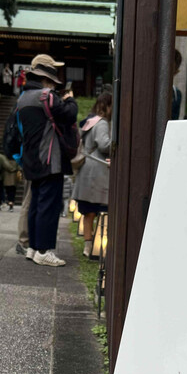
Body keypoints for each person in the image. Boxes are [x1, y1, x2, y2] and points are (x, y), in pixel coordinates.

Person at [17, 53, 78, 267]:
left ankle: (34, 247)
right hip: (50, 158)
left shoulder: (23, 99)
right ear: (45, 78)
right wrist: (70, 99)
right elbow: (69, 114)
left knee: (36, 204)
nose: (53, 85)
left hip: (31, 159)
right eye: (51, 80)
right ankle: (44, 250)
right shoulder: (47, 96)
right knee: (49, 206)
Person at [72, 91, 112, 257]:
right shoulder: (102, 123)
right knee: (101, 210)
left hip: (86, 170)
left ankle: (88, 246)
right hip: (98, 171)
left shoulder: (90, 121)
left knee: (88, 212)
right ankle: (99, 249)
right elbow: (104, 145)